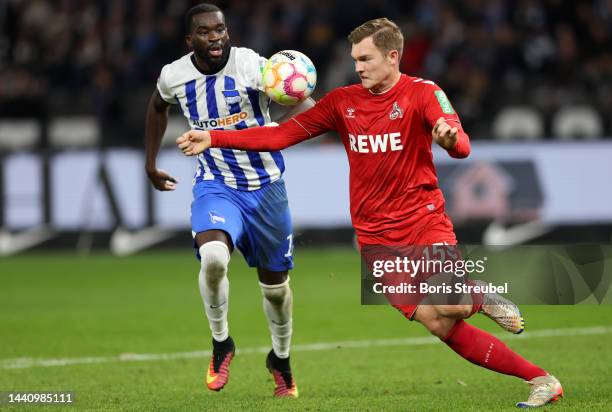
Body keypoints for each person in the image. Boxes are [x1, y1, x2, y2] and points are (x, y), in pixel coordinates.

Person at [176, 18, 564, 408]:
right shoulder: (343, 103)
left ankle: (480, 297)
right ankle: (541, 379)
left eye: (366, 58)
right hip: (374, 238)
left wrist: (450, 140)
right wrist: (214, 137)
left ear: (393, 57)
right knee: (439, 323)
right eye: (355, 59)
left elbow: (460, 143)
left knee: (453, 304)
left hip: (422, 219)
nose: (358, 67)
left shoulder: (422, 93)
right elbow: (280, 135)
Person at [145, 3, 311, 398]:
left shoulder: (253, 66)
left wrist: (277, 126)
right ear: (191, 40)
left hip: (267, 186)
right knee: (215, 258)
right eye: (205, 32)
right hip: (215, 184)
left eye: (220, 29)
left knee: (275, 288)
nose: (215, 37)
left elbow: (305, 105)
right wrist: (150, 163)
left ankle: (281, 359)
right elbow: (156, 107)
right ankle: (222, 343)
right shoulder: (174, 76)